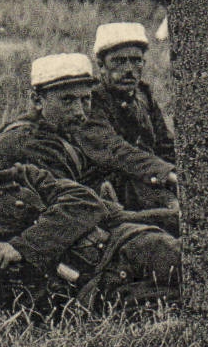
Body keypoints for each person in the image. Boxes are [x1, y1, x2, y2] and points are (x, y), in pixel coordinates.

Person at [0, 117, 178, 334]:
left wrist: (20, 248)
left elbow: (86, 202)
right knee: (179, 308)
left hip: (121, 245)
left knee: (193, 266)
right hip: (89, 295)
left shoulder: (22, 177)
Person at [76, 22, 179, 214]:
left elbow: (165, 143)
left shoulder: (143, 95)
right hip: (114, 185)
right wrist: (166, 173)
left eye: (136, 60)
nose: (129, 69)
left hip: (149, 177)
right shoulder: (90, 101)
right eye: (119, 61)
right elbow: (115, 151)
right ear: (101, 65)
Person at [0, 54, 109, 190]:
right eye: (67, 100)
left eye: (85, 99)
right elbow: (70, 197)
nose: (79, 111)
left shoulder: (59, 131)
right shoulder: (31, 140)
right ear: (37, 101)